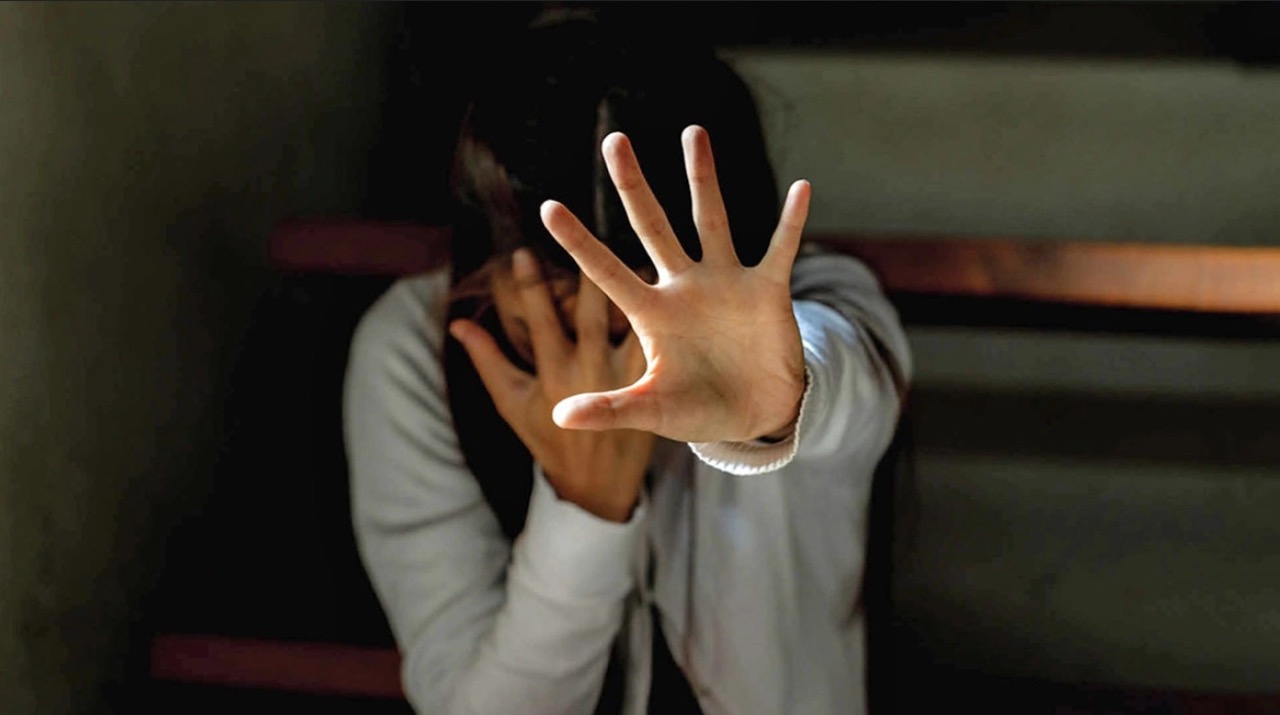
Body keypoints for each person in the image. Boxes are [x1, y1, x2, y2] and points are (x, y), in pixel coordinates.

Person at [343, 12, 910, 715]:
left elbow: (843, 380)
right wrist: (586, 510)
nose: (597, 320)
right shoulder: (418, 347)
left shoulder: (813, 305)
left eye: (637, 285)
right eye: (556, 280)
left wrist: (780, 398)